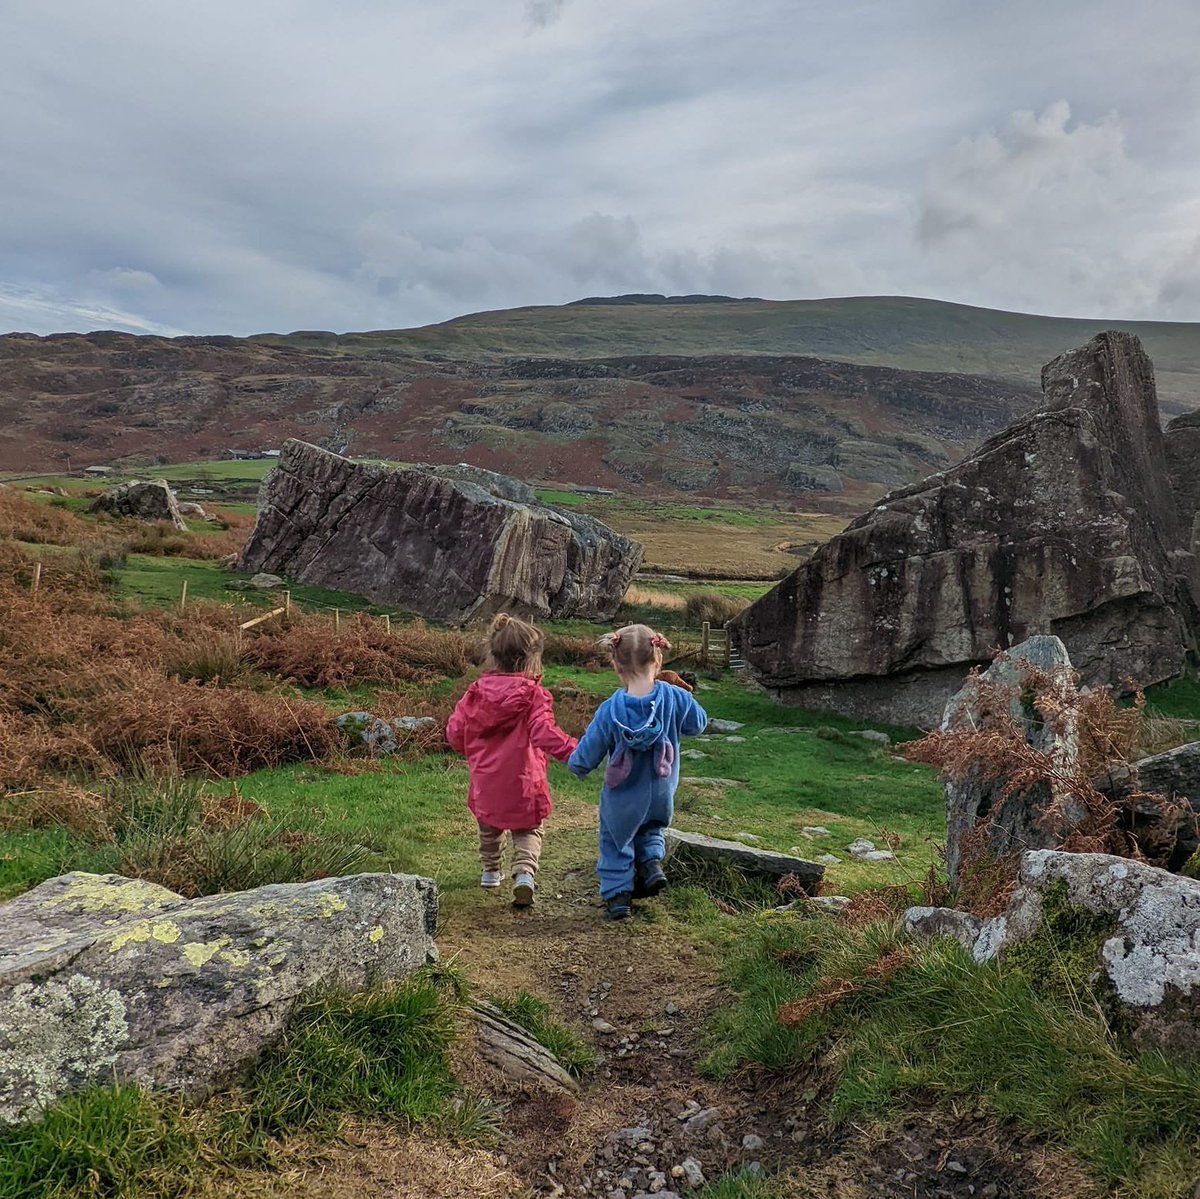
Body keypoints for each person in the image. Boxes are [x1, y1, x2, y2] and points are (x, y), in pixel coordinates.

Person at [568, 624, 708, 920]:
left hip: (622, 797)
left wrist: (577, 764)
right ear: (658, 659)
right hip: (661, 791)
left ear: (616, 666)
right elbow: (698, 724)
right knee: (652, 828)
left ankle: (618, 896)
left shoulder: (610, 709)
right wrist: (685, 694)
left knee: (615, 839)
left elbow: (589, 750)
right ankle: (651, 866)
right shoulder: (675, 697)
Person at [446, 613, 577, 907]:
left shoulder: (475, 694)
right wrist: (575, 751)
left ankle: (491, 872)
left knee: (488, 824)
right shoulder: (534, 695)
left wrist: (468, 750)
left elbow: (454, 731)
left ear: (494, 654)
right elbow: (545, 733)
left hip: (486, 779)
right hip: (524, 778)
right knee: (528, 828)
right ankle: (524, 875)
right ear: (532, 660)